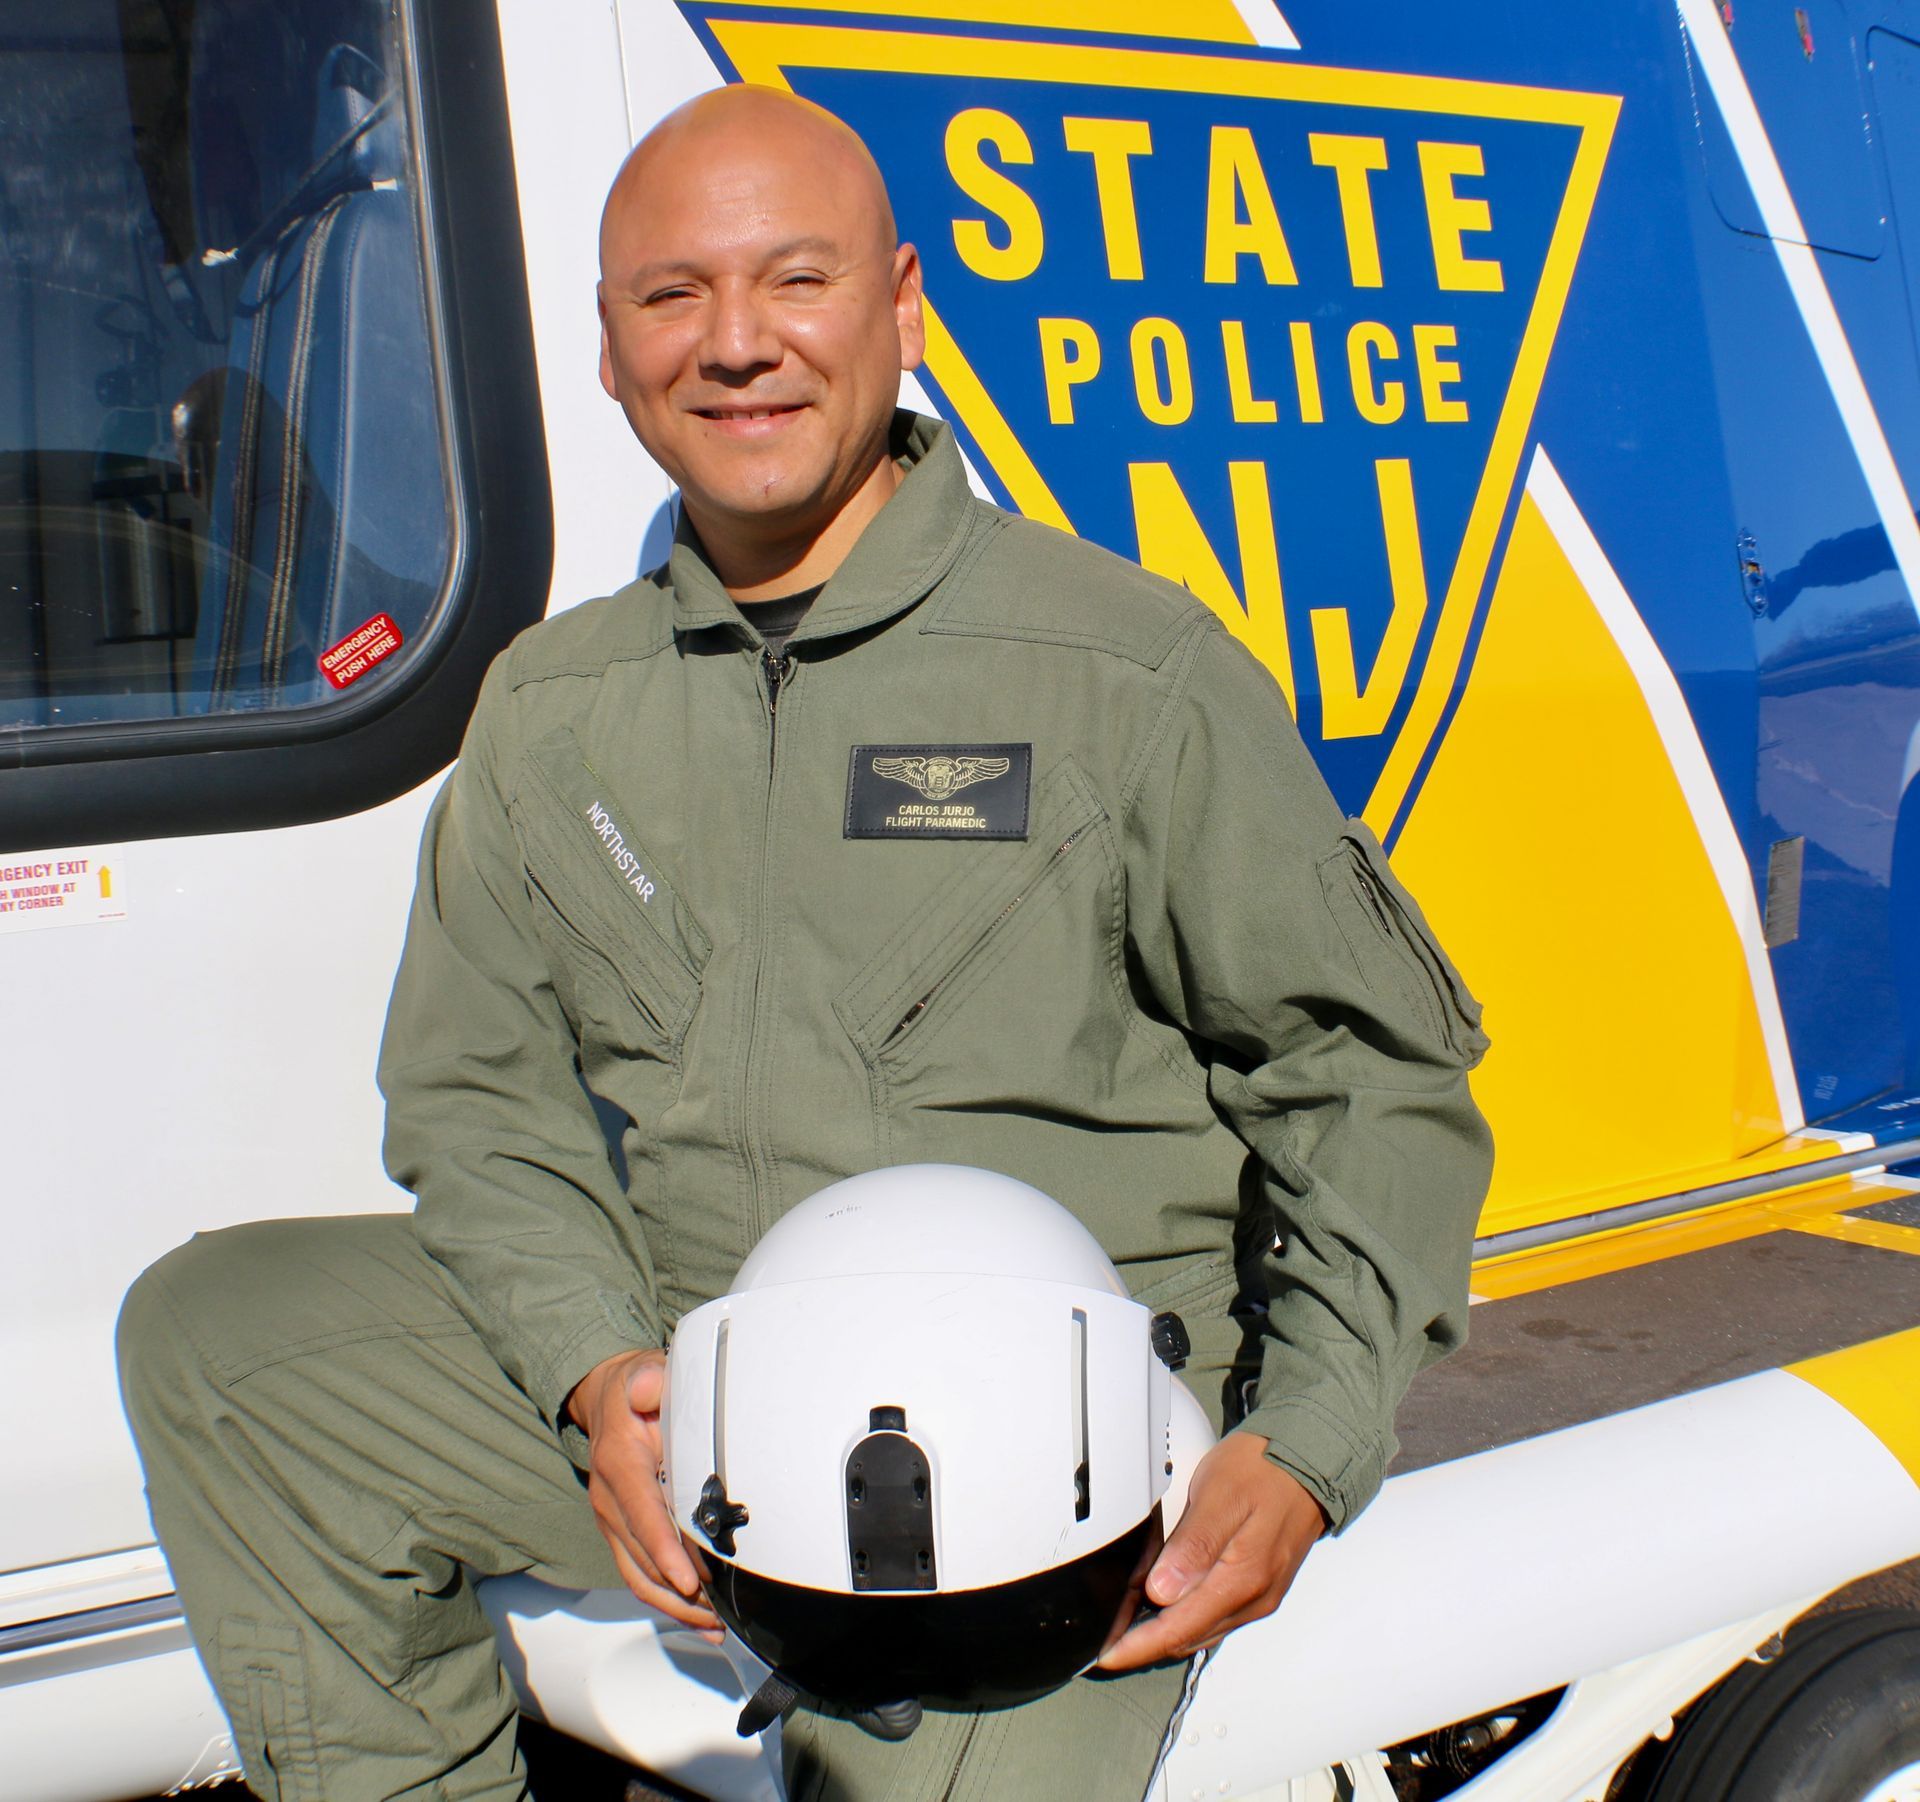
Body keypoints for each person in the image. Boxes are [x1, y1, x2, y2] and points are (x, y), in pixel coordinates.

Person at [118, 85, 1493, 1802]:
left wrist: (1305, 1443)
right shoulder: (553, 710)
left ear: (900, 308)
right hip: (713, 1375)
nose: (736, 343)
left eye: (796, 279)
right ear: (609, 349)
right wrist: (594, 1371)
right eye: (672, 295)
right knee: (225, 1341)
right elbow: (478, 1102)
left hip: (1035, 1458)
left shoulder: (1124, 674)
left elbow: (1367, 1073)